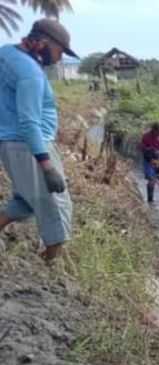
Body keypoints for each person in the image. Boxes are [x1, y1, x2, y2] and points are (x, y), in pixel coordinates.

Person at [0, 19, 78, 263]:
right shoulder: (30, 73)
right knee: (57, 207)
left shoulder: (6, 54)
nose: (58, 58)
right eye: (59, 51)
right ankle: (50, 266)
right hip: (31, 146)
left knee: (26, 201)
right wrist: (47, 166)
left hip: (10, 144)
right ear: (44, 42)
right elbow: (29, 122)